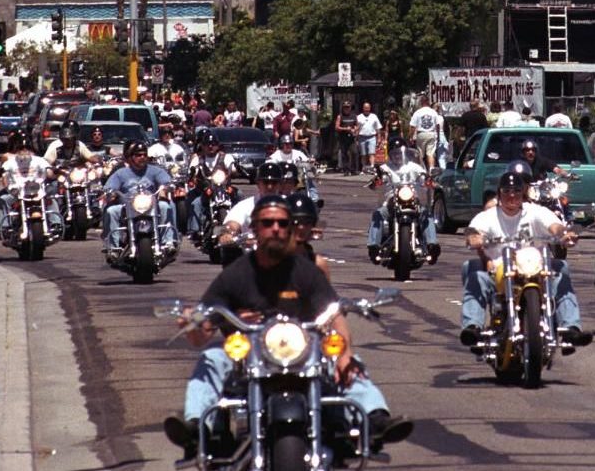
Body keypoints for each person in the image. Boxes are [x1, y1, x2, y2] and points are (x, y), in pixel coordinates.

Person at [162, 195, 412, 459]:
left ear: (290, 229)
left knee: (351, 364)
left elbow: (333, 313)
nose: (276, 229)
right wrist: (192, 321)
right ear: (255, 229)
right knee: (211, 358)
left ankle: (375, 420)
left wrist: (345, 353)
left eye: (282, 223)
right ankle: (196, 426)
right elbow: (202, 330)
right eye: (267, 223)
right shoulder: (236, 274)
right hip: (250, 354)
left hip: (303, 351)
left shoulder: (307, 272)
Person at [459, 170, 592, 349]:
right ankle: (472, 327)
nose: (512, 195)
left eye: (516, 191)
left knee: (561, 270)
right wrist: (475, 238)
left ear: (524, 193)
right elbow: (474, 231)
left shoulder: (535, 212)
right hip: (498, 269)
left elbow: (554, 225)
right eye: (506, 191)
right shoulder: (488, 216)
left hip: (535, 268)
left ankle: (571, 328)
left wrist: (563, 234)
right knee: (474, 271)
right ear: (499, 194)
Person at [367, 140, 439, 264]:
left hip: (413, 200)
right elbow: (374, 184)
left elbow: (425, 177)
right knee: (378, 214)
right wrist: (376, 181)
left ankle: (432, 244)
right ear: (389, 155)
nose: (398, 156)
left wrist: (429, 180)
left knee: (426, 214)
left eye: (399, 153)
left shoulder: (414, 167)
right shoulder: (385, 168)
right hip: (391, 202)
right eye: (394, 153)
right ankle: (373, 246)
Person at [101, 140, 177, 251]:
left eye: (144, 155)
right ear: (131, 157)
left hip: (151, 206)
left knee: (165, 206)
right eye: (138, 155)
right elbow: (109, 187)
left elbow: (167, 181)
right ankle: (113, 247)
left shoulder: (155, 171)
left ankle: (168, 242)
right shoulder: (121, 173)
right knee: (111, 210)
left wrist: (167, 186)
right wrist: (109, 191)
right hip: (126, 207)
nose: (142, 157)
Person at [0, 137, 58, 233]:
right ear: (16, 150)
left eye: (27, 149)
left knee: (51, 199)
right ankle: (5, 227)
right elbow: (1, 172)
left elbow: (49, 170)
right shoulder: (10, 162)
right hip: (17, 192)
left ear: (31, 150)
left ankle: (56, 223)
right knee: (3, 199)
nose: (24, 151)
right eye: (21, 149)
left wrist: (53, 173)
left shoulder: (39, 160)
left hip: (37, 191)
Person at [186, 130, 238, 237]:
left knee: (240, 195)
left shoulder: (226, 157)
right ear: (203, 146)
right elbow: (192, 171)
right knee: (196, 203)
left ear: (217, 145)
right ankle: (194, 230)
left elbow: (233, 168)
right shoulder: (198, 159)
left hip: (224, 187)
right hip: (205, 189)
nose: (210, 146)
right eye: (207, 144)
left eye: (213, 144)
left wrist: (237, 169)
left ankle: (242, 223)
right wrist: (192, 173)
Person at [408, 94, 441, 171]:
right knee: (430, 153)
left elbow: (412, 126)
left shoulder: (417, 112)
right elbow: (437, 125)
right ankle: (431, 170)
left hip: (421, 134)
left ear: (421, 102)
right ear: (428, 102)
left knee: (420, 154)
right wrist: (438, 136)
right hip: (431, 133)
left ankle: (422, 171)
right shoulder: (433, 112)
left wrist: (411, 137)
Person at [356, 102, 382, 173]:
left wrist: (379, 138)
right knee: (363, 154)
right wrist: (356, 139)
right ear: (363, 108)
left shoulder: (374, 116)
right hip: (362, 137)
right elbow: (357, 129)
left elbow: (378, 128)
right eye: (365, 108)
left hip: (372, 137)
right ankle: (364, 168)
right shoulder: (359, 117)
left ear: (370, 108)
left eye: (368, 108)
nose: (366, 109)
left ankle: (372, 167)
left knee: (372, 153)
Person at [335, 100, 359, 175]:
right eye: (345, 107)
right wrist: (345, 129)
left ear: (350, 108)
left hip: (352, 138)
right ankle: (346, 170)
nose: (346, 109)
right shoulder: (340, 116)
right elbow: (337, 127)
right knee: (344, 154)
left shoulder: (354, 115)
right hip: (343, 137)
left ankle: (353, 169)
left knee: (354, 152)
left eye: (348, 107)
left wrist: (355, 129)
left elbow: (358, 125)